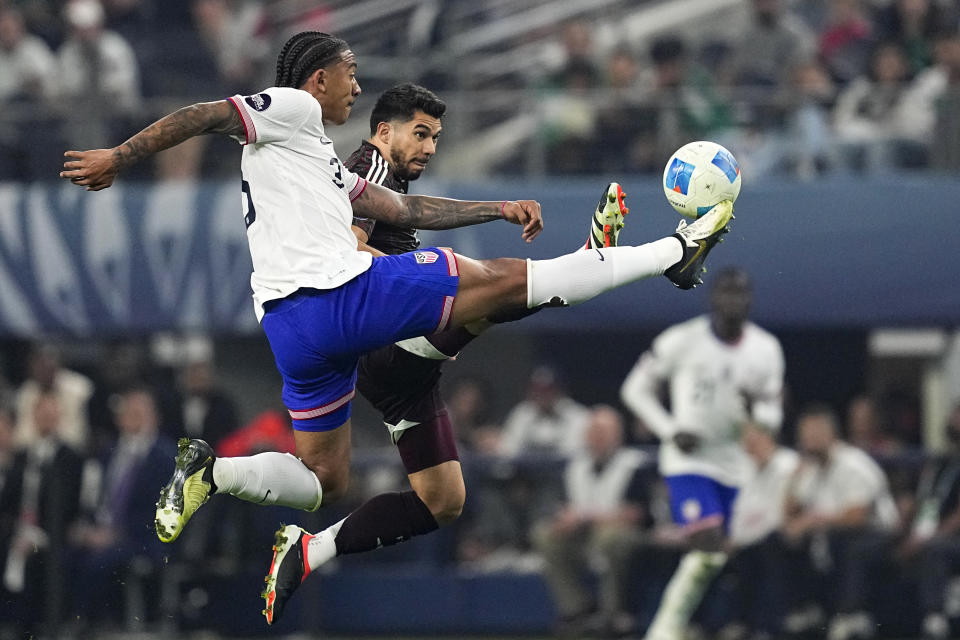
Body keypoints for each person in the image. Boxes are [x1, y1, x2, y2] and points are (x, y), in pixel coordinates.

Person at [59, 30, 736, 624]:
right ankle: (675, 253)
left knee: (339, 481)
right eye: (350, 73)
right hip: (344, 298)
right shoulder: (294, 108)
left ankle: (221, 478)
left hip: (293, 327)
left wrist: (492, 206)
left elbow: (398, 208)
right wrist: (119, 158)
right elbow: (209, 114)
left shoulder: (317, 159)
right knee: (495, 286)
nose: (357, 86)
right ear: (318, 79)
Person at [620, 267, 784, 640]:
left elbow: (772, 416)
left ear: (750, 300)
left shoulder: (766, 350)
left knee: (729, 556)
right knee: (707, 545)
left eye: (741, 293)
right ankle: (665, 629)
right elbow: (635, 390)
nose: (733, 301)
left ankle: (719, 624)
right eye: (726, 293)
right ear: (712, 298)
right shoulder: (682, 340)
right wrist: (670, 430)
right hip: (688, 462)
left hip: (738, 466)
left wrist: (756, 415)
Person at [531, 405, 654, 638]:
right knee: (545, 535)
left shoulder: (635, 464)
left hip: (627, 538)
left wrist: (589, 517)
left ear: (617, 435)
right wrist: (563, 519)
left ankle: (612, 613)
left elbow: (638, 514)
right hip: (584, 536)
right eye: (593, 431)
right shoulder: (575, 466)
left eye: (604, 431)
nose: (597, 437)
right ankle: (577, 609)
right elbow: (560, 506)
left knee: (610, 538)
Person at [779, 404, 899, 640]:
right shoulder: (811, 468)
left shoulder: (853, 464)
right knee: (785, 539)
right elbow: (789, 513)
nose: (808, 441)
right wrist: (795, 477)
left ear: (831, 434)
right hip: (834, 535)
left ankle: (851, 613)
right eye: (805, 436)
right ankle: (806, 608)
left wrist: (811, 521)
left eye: (814, 435)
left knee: (841, 540)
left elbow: (857, 517)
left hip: (879, 535)